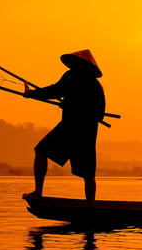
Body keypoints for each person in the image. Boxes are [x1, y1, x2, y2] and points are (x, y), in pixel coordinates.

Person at [23, 50, 106, 202]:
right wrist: (70, 104)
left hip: (71, 126)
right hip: (88, 130)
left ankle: (38, 192)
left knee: (41, 151)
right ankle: (90, 205)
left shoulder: (72, 76)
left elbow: (54, 91)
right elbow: (100, 113)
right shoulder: (95, 85)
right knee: (88, 173)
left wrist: (32, 94)